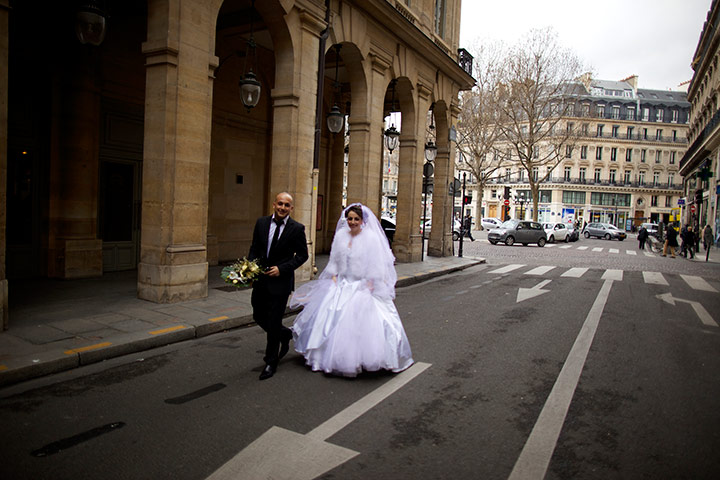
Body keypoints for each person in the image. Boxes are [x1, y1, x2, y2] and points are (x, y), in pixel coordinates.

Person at [290, 204, 413, 377]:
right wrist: (333, 274)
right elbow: (335, 259)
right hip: (342, 283)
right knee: (329, 317)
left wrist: (371, 281)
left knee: (362, 322)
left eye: (356, 219)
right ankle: (326, 357)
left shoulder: (370, 238)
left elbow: (376, 263)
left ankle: (362, 359)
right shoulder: (340, 236)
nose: (353, 222)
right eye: (350, 218)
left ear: (362, 220)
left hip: (361, 284)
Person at [248, 192, 309, 380]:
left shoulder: (297, 229)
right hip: (260, 280)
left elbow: (302, 255)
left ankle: (271, 361)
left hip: (280, 283)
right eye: (280, 204)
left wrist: (281, 269)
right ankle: (284, 334)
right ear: (274, 204)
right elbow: (255, 248)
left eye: (287, 205)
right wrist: (249, 268)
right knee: (258, 314)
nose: (283, 207)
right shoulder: (261, 223)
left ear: (291, 208)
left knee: (274, 321)